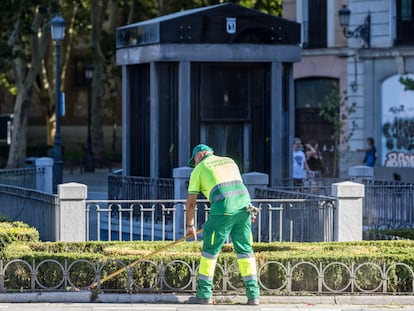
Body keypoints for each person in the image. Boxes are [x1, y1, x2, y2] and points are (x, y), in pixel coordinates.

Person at [185, 144, 260, 305]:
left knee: (209, 252)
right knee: (245, 251)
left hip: (223, 210)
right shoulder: (229, 161)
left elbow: (191, 203)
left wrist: (190, 226)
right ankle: (253, 295)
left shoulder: (199, 169)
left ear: (201, 154)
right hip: (245, 208)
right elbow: (238, 186)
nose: (195, 164)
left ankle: (204, 294)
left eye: (195, 160)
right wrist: (248, 214)